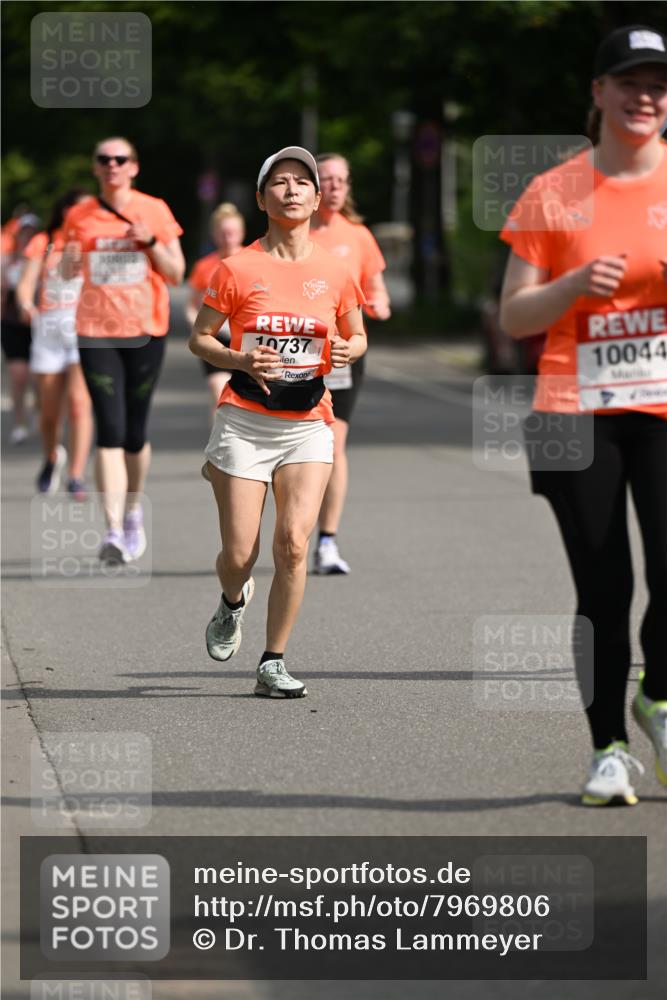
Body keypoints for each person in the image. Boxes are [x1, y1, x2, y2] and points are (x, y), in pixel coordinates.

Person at [499, 24, 667, 805]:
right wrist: (570, 289)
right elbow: (513, 315)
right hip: (575, 411)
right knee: (604, 587)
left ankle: (655, 696)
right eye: (629, 82)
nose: (645, 97)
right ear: (597, 94)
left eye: (657, 85)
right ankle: (606, 749)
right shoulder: (554, 192)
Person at [189, 146, 366, 698]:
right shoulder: (237, 268)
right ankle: (231, 601)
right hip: (244, 420)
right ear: (263, 198)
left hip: (308, 421)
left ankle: (273, 660)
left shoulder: (336, 271)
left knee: (292, 543)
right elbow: (199, 337)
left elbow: (357, 335)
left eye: (302, 182)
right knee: (240, 554)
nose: (292, 189)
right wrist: (239, 359)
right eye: (280, 182)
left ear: (317, 199)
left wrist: (346, 350)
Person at [62, 137, 185, 563]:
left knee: (135, 433)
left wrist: (150, 241)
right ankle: (113, 530)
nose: (112, 165)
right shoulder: (80, 215)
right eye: (104, 160)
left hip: (145, 331)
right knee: (109, 430)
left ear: (134, 166)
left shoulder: (155, 209)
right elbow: (65, 269)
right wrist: (65, 259)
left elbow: (176, 272)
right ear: (96, 168)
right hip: (96, 331)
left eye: (120, 159)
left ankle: (133, 511)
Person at [309, 152, 391, 573]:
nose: (337, 187)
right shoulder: (294, 233)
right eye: (328, 179)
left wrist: (379, 304)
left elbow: (378, 291)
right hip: (298, 354)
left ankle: (326, 541)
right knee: (296, 448)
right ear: (315, 186)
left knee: (334, 444)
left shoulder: (358, 236)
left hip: (343, 355)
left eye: (343, 179)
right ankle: (291, 529)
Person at [16, 189, 93, 497]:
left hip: (82, 328)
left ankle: (76, 473)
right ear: (63, 211)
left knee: (79, 403)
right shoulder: (44, 243)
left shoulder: (92, 243)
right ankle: (52, 457)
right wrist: (26, 306)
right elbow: (25, 285)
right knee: (49, 413)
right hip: (48, 329)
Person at [185, 203, 245, 419]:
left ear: (241, 233)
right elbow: (192, 305)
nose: (228, 238)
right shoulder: (204, 266)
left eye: (232, 233)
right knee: (220, 394)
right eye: (223, 234)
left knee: (244, 399)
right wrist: (201, 331)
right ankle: (220, 447)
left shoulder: (253, 261)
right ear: (215, 235)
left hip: (245, 340)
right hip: (216, 339)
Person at [1, 212, 40, 444]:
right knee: (18, 376)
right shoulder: (7, 260)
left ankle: (40, 412)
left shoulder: (45, 258)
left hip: (40, 324)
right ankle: (20, 421)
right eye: (23, 232)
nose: (27, 237)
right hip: (12, 324)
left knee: (39, 376)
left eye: (31, 233)